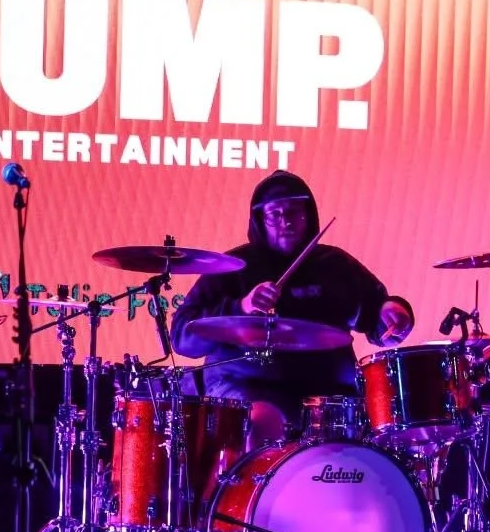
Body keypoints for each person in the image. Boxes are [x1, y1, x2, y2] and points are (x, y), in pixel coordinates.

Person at [171, 170, 414, 444]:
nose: (285, 221)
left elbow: (377, 316)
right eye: (275, 214)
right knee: (263, 419)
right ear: (260, 220)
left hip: (328, 392)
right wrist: (242, 306)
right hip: (247, 386)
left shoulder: (335, 265)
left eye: (294, 212)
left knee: (373, 426)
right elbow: (182, 337)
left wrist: (394, 312)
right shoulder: (233, 267)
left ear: (309, 216)